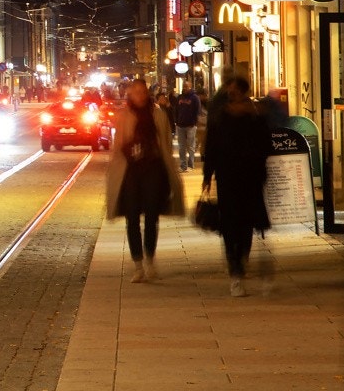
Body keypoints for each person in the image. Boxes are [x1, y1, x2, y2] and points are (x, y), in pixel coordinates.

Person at [106, 78, 185, 283]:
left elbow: (166, 144)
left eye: (143, 91)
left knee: (152, 215)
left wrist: (168, 168)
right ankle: (138, 264)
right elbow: (118, 146)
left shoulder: (158, 114)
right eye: (136, 92)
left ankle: (150, 259)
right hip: (130, 172)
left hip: (153, 169)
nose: (140, 95)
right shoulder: (124, 116)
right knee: (132, 218)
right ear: (130, 95)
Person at [202, 76, 272, 297]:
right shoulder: (220, 117)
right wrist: (207, 176)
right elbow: (211, 148)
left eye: (234, 92)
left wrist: (259, 169)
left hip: (250, 179)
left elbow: (266, 146)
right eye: (229, 93)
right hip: (227, 178)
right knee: (230, 225)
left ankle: (242, 259)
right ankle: (235, 272)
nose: (231, 96)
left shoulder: (256, 117)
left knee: (247, 224)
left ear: (243, 92)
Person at [173, 83, 202, 171]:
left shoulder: (194, 98)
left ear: (190, 87)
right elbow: (176, 109)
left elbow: (198, 110)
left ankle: (190, 164)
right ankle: (183, 165)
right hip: (180, 125)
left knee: (191, 146)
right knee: (181, 146)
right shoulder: (180, 97)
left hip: (191, 126)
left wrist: (194, 122)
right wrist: (176, 121)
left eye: (186, 86)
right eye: (184, 86)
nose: (184, 88)